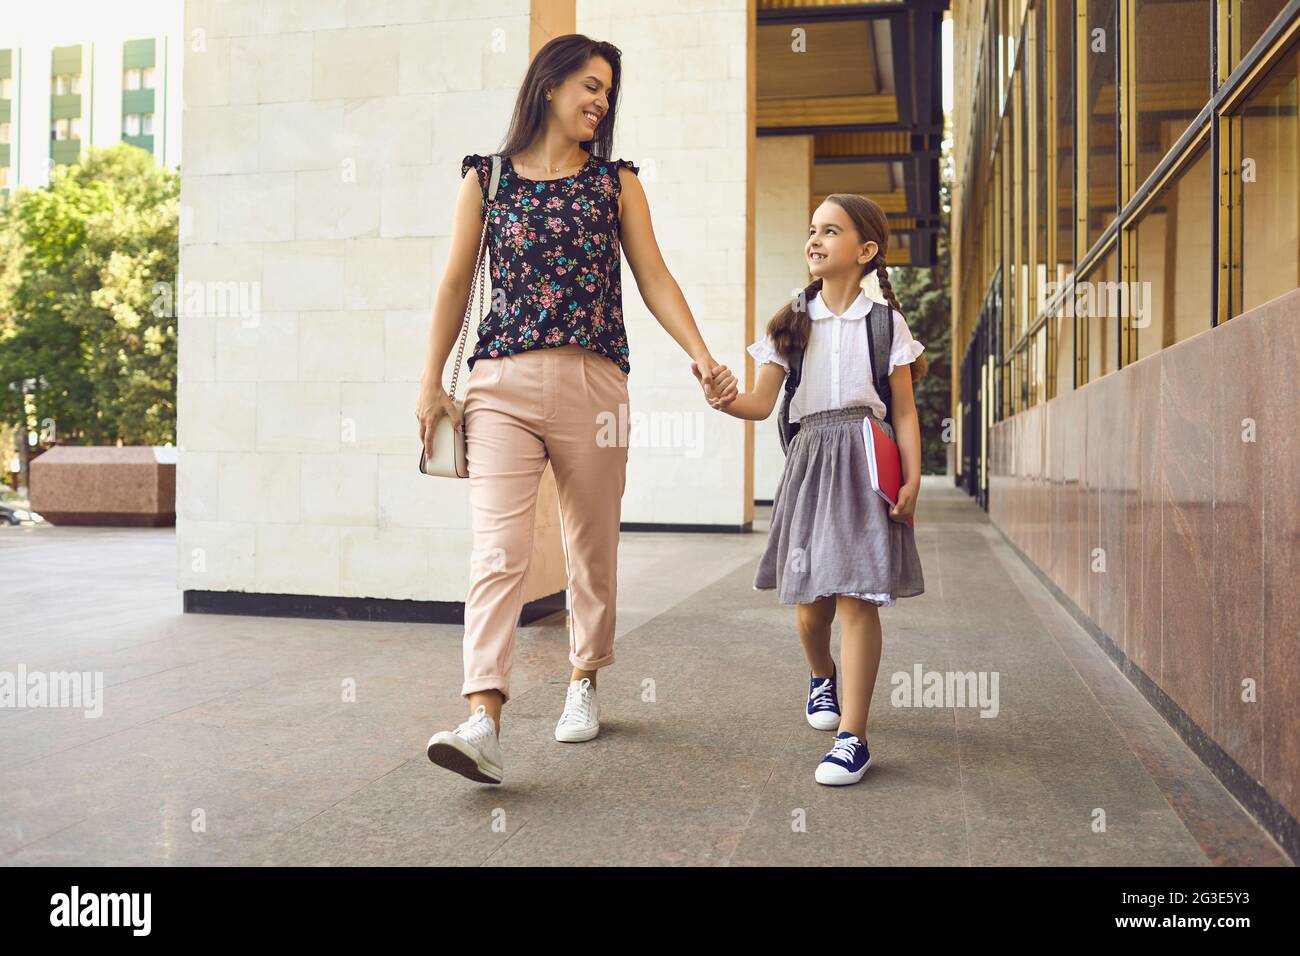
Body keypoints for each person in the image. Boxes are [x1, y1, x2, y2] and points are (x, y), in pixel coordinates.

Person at [417, 35, 738, 784]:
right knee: (498, 551)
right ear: (550, 84)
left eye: (607, 92)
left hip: (597, 388)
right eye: (588, 86)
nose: (599, 101)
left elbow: (654, 278)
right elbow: (455, 283)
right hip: (499, 387)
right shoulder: (487, 180)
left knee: (589, 547)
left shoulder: (616, 184)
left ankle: (584, 679)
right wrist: (430, 380)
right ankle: (484, 717)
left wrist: (701, 353)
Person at [698, 194, 927, 786]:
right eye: (811, 230)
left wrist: (912, 476)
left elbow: (903, 412)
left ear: (866, 250)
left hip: (867, 464)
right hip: (810, 463)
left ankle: (854, 737)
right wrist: (724, 396)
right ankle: (820, 674)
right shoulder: (790, 322)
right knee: (810, 609)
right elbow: (757, 402)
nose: (815, 240)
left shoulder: (885, 325)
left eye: (831, 230)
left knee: (859, 597)